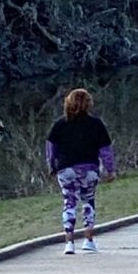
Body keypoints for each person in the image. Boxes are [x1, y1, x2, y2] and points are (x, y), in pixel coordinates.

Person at [45, 88, 115, 255]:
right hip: (89, 169)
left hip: (66, 169)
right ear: (88, 104)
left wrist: (52, 167)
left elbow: (50, 148)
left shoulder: (60, 125)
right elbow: (106, 150)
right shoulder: (96, 125)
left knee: (69, 203)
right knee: (88, 202)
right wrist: (110, 169)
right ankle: (88, 240)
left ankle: (69, 242)